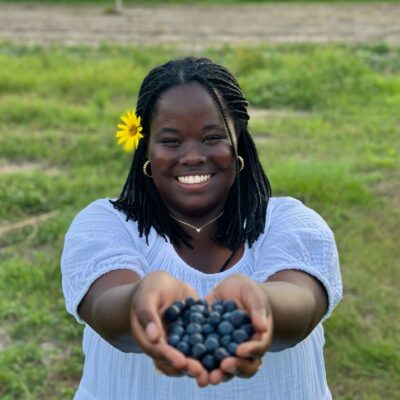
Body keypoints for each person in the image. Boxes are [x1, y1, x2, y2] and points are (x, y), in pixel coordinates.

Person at [61, 56, 342, 400]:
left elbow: (302, 303)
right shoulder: (105, 225)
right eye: (171, 141)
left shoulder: (289, 223)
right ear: (145, 147)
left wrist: (259, 306)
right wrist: (143, 302)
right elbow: (107, 307)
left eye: (212, 137)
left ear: (239, 142)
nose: (192, 156)